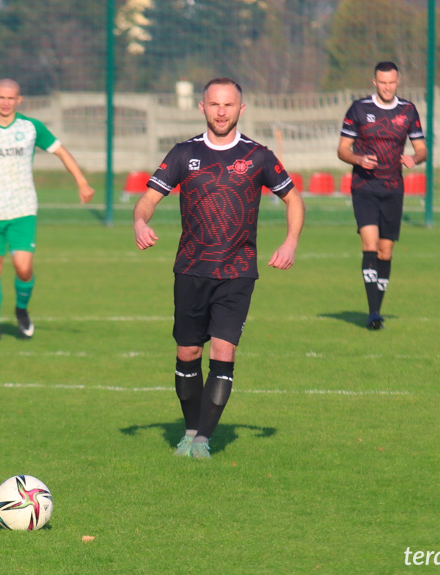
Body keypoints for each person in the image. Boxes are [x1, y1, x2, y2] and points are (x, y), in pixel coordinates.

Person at [133, 78, 304, 460]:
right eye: (214, 104)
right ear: (202, 107)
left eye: (229, 105)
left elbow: (293, 198)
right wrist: (140, 222)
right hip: (191, 270)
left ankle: (202, 440)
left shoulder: (258, 156)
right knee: (188, 352)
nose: (221, 111)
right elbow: (147, 200)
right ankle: (191, 429)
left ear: (241, 109)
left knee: (224, 351)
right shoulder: (183, 154)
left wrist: (290, 242)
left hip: (238, 272)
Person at [0, 78, 95, 340]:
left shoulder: (30, 127)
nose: (5, 102)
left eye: (11, 98)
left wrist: (82, 182)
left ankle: (21, 310)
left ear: (19, 100)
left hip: (23, 208)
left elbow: (61, 152)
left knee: (23, 268)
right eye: (1, 97)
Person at [337, 61, 427, 330]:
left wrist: (414, 158)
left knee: (386, 251)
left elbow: (421, 149)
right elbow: (342, 149)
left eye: (392, 82)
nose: (387, 87)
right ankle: (373, 312)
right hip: (364, 187)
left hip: (393, 189)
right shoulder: (359, 109)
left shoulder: (408, 110)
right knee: (370, 245)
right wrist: (358, 159)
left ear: (397, 81)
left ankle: (378, 306)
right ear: (374, 82)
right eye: (382, 82)